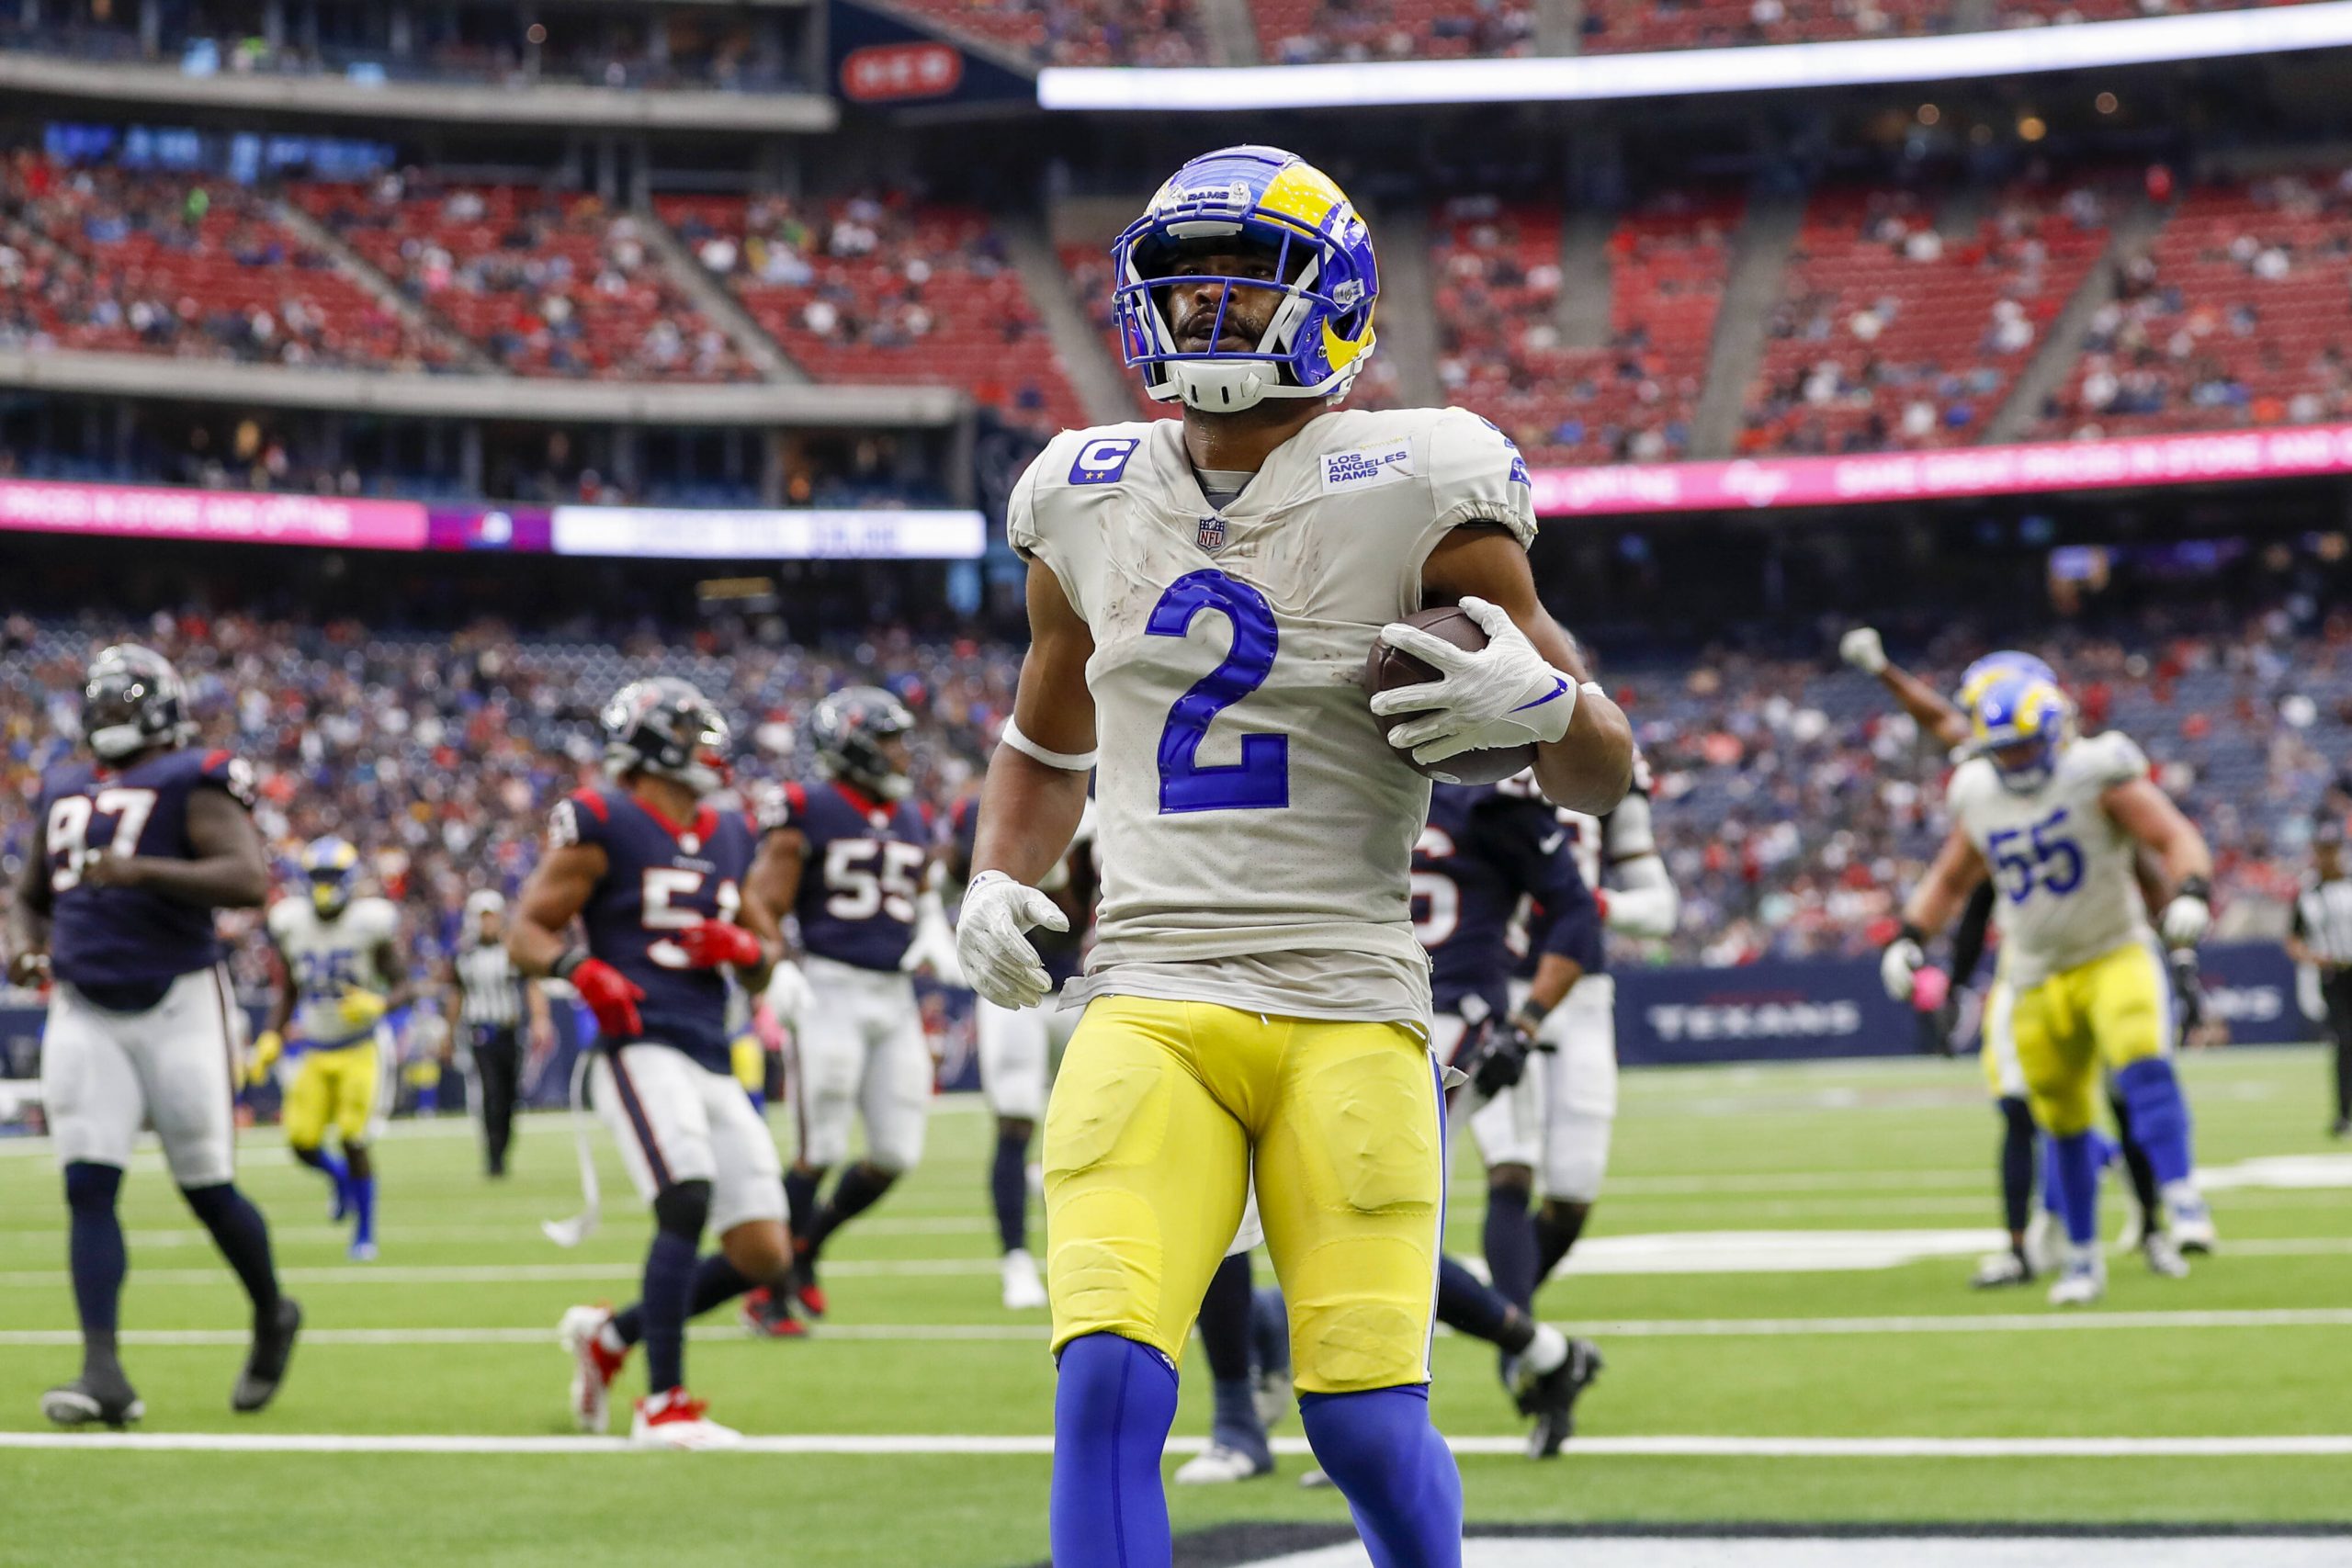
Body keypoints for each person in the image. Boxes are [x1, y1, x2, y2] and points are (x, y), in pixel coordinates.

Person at [954, 144, 1633, 1568]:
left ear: (1328, 299)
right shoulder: (1081, 490)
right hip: (1152, 989)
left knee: (1367, 1426)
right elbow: (1043, 736)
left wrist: (1545, 706)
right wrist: (996, 870)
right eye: (1184, 288)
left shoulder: (1422, 477)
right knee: (1107, 1386)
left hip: (1349, 999)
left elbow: (1600, 766)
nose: (1207, 315)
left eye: (1242, 285)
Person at [6, 644, 300, 1427]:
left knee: (205, 1185)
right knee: (87, 1184)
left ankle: (273, 1309)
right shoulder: (65, 785)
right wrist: (24, 945)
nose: (108, 717)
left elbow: (246, 878)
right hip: (84, 1002)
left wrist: (142, 871)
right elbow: (29, 894)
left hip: (178, 998)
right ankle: (103, 1373)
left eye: (123, 702)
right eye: (99, 704)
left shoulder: (190, 776)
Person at [514, 677, 795, 1449]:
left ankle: (611, 1336)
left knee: (765, 1250)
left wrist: (746, 948)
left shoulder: (730, 832)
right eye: (692, 734)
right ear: (653, 742)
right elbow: (528, 929)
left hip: (710, 1045)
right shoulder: (603, 817)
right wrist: (579, 969)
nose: (710, 749)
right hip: (638, 1041)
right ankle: (663, 1404)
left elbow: (769, 955)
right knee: (686, 1198)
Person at [1841, 631, 2170, 1284]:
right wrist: (1882, 669)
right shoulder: (1993, 764)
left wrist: (2172, 947)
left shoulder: (2091, 773)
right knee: (2022, 1101)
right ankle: (2031, 1241)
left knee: (2124, 1092)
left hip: (2103, 943)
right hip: (2029, 954)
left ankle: (2156, 1219)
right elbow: (1937, 724)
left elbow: (2149, 859)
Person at [1883, 672, 2218, 1307]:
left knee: (2141, 1054)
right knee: (2060, 1121)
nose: (2012, 759)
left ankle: (2183, 1197)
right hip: (2034, 971)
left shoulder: (2096, 770)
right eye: (2001, 748)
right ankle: (2083, 1259)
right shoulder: (1979, 791)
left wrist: (2194, 890)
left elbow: (2172, 834)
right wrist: (1909, 934)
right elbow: (1950, 877)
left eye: (2022, 745)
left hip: (2111, 949)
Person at [748, 686, 953, 1333]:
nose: (900, 752)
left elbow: (921, 890)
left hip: (893, 995)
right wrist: (774, 965)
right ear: (857, 745)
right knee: (820, 1145)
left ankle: (806, 1244)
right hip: (829, 988)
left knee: (896, 1150)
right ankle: (768, 1286)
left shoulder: (909, 814)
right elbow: (763, 900)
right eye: (889, 739)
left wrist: (931, 928)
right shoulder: (807, 806)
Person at [1484, 754, 1677, 1342]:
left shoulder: (1610, 761)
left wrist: (1593, 905)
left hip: (1583, 994)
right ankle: (1523, 1353)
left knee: (1572, 1193)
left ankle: (1510, 1329)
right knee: (1511, 1169)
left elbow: (1660, 908)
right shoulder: (1470, 742)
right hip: (1497, 984)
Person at [948, 791, 1099, 1312]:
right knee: (1015, 1119)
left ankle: (1095, 1254)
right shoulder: (983, 808)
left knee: (1101, 1122)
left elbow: (1085, 909)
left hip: (1079, 987)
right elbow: (948, 872)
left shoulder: (1108, 802)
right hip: (1013, 987)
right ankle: (1015, 1260)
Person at [251, 836, 411, 1261]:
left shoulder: (368, 923)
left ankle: (365, 1230)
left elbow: (404, 985)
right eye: (318, 877)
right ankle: (339, 1182)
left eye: (331, 877)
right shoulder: (292, 923)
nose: (324, 885)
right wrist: (272, 1034)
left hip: (360, 1047)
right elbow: (289, 989)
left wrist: (379, 1003)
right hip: (316, 1048)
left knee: (355, 1139)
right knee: (302, 1142)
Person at [448, 888, 552, 1177]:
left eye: (492, 917)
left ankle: (502, 1148)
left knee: (509, 1095)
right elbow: (456, 996)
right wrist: (449, 1034)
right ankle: (493, 1155)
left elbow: (532, 985)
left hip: (509, 1029)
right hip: (481, 1031)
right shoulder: (464, 956)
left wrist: (541, 1019)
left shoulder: (513, 951)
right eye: (483, 918)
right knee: (490, 1093)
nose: (488, 924)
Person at [2287, 821, 2352, 1138]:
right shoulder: (2308, 893)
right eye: (2322, 850)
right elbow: (2294, 939)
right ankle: (2344, 1114)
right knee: (2345, 1042)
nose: (2328, 857)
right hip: (2334, 974)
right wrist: (2313, 957)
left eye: (2332, 850)